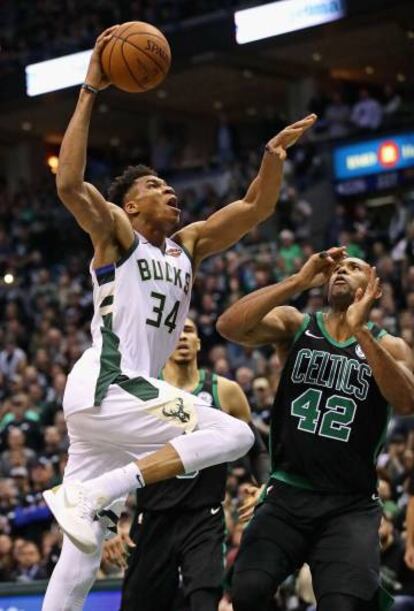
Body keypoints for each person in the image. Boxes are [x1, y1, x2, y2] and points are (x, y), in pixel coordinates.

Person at [41, 26, 316, 611]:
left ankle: (88, 502)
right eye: (155, 186)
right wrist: (92, 83)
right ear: (131, 205)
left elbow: (253, 207)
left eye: (170, 185)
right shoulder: (117, 234)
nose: (170, 191)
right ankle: (94, 495)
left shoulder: (186, 245)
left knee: (83, 552)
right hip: (109, 382)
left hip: (112, 404)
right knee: (234, 432)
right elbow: (68, 183)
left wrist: (271, 157)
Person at [217, 248, 414, 611]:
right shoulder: (297, 325)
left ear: (374, 287)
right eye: (337, 268)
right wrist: (299, 280)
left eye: (353, 268)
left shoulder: (390, 345)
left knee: (343, 605)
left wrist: (361, 333)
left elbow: (406, 401)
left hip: (349, 504)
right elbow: (229, 326)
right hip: (287, 495)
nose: (341, 271)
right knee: (248, 590)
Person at [108, 318, 270, 611]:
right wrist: (109, 521)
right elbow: (113, 453)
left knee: (204, 600)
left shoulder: (225, 391)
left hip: (203, 517)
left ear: (199, 343)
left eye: (190, 330)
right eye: (175, 331)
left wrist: (265, 486)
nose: (182, 336)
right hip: (153, 516)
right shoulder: (143, 389)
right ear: (164, 342)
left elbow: (258, 450)